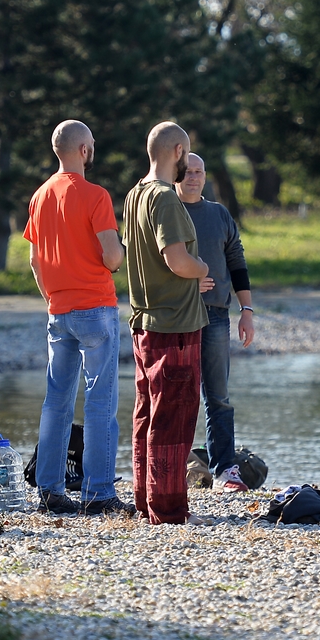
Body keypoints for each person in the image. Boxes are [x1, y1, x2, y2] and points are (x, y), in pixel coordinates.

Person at [25, 119, 133, 516]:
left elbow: (35, 260)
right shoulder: (95, 195)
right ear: (84, 150)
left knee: (56, 401)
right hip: (96, 307)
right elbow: (111, 255)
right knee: (100, 401)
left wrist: (52, 295)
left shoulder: (39, 196)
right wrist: (121, 254)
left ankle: (50, 490)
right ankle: (98, 493)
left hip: (59, 310)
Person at [123, 121, 211, 525]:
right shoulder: (165, 199)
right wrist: (202, 267)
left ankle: (145, 500)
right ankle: (170, 509)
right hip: (173, 323)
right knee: (174, 417)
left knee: (147, 413)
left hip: (144, 321)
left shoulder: (133, 194)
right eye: (186, 153)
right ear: (177, 150)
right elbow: (177, 260)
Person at [174, 152, 255, 492]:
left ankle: (225, 471)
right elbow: (154, 262)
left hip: (217, 316)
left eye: (199, 171)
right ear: (177, 174)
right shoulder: (168, 211)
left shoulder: (219, 214)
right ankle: (173, 467)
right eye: (188, 171)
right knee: (178, 395)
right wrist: (186, 281)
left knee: (218, 397)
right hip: (176, 316)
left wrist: (247, 311)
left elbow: (236, 260)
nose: (194, 176)